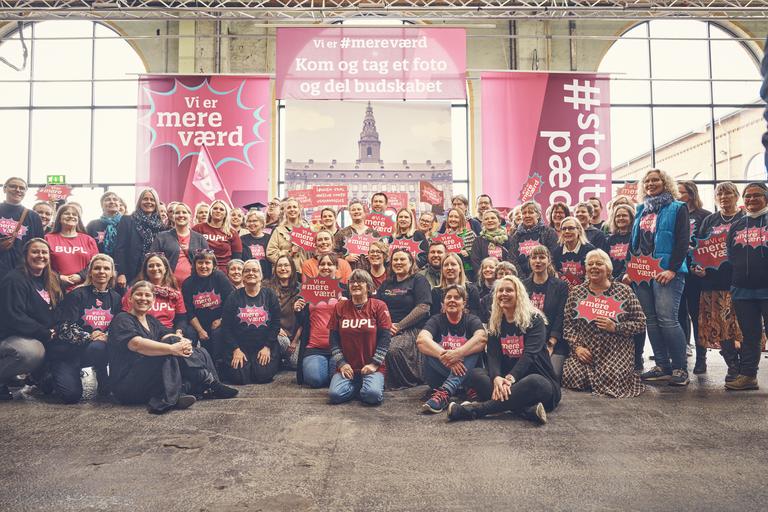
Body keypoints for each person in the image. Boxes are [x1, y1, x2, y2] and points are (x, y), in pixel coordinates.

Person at [108, 281, 237, 414]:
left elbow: (168, 334)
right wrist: (172, 348)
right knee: (168, 350)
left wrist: (183, 342)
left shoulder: (151, 321)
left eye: (147, 295)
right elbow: (136, 344)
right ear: (130, 298)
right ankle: (208, 382)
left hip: (148, 379)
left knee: (198, 350)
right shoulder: (122, 319)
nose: (143, 298)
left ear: (153, 300)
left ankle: (181, 391)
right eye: (139, 295)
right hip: (128, 384)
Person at [449, 276, 560, 425]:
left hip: (535, 381)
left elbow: (530, 355)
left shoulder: (535, 320)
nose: (504, 293)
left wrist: (510, 379)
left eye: (509, 290)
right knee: (475, 374)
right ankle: (526, 411)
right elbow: (493, 355)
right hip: (508, 384)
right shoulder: (496, 321)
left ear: (519, 294)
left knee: (535, 382)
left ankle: (474, 410)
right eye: (500, 290)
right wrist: (496, 378)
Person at [628, 169, 691, 386]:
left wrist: (673, 269)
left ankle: (680, 368)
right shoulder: (641, 210)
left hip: (666, 272)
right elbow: (634, 244)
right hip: (642, 273)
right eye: (647, 181)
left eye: (656, 180)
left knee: (667, 320)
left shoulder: (677, 207)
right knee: (650, 320)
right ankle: (662, 365)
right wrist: (631, 269)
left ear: (665, 182)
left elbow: (683, 241)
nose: (651, 183)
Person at [561, 250, 647, 397]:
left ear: (608, 269)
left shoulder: (624, 291)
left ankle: (603, 377)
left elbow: (641, 323)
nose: (594, 267)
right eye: (590, 264)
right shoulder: (577, 292)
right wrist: (578, 348)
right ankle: (596, 378)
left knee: (612, 375)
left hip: (615, 350)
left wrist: (615, 327)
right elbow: (568, 326)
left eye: (599, 264)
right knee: (571, 375)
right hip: (586, 349)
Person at [48, 254, 120, 402]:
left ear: (112, 273)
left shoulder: (116, 298)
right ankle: (46, 374)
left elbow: (117, 325)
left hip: (94, 350)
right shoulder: (77, 295)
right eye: (97, 268)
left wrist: (107, 336)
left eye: (106, 268)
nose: (101, 271)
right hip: (68, 353)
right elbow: (63, 327)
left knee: (100, 347)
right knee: (70, 396)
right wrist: (90, 336)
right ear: (90, 272)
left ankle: (101, 372)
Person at [692, 182, 745, 381]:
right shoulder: (710, 220)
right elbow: (697, 247)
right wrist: (696, 267)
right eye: (720, 194)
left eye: (728, 193)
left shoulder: (745, 218)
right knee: (721, 325)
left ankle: (746, 366)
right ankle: (733, 366)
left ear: (736, 196)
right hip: (712, 282)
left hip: (739, 280)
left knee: (741, 325)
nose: (724, 197)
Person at [0, 238, 60, 400]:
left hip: (37, 335)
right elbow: (13, 317)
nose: (40, 255)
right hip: (10, 336)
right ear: (25, 255)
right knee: (31, 353)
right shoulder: (14, 279)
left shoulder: (51, 279)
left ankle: (36, 376)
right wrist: (45, 332)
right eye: (35, 251)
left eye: (44, 252)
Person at [725, 182, 768, 391]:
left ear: (766, 197)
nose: (751, 200)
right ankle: (748, 376)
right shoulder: (738, 225)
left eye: (756, 195)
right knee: (750, 336)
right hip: (742, 289)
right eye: (747, 196)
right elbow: (731, 254)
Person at [417, 285, 487, 413]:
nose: (452, 300)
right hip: (439, 376)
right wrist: (445, 356)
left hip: (468, 371)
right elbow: (421, 340)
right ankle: (463, 387)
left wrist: (458, 353)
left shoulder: (472, 319)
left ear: (464, 303)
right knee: (428, 348)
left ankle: (445, 392)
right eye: (448, 297)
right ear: (443, 303)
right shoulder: (436, 320)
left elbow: (482, 338)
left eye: (457, 297)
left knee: (474, 348)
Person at [328, 269, 392, 405]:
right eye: (352, 282)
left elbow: (385, 338)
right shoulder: (340, 307)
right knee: (335, 395)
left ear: (368, 286)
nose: (355, 284)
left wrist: (375, 364)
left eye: (360, 281)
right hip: (347, 367)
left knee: (372, 396)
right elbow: (333, 340)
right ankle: (360, 386)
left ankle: (368, 386)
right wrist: (342, 364)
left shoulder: (379, 306)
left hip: (371, 367)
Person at [377, 249, 432, 389]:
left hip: (411, 328)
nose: (398, 262)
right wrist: (385, 325)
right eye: (395, 260)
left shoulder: (419, 280)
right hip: (387, 327)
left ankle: (402, 382)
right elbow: (377, 307)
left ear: (411, 262)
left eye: (402, 259)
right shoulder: (387, 283)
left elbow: (423, 308)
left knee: (392, 350)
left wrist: (399, 326)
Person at [221, 259, 281, 384]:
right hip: (240, 346)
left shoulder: (269, 295)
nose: (251, 273)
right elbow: (226, 327)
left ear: (261, 275)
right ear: (242, 276)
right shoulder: (233, 297)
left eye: (255, 270)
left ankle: (257, 366)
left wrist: (267, 347)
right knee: (239, 378)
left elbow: (276, 324)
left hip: (264, 345)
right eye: (247, 271)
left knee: (262, 376)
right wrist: (235, 349)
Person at [295, 253, 347, 388]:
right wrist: (298, 310)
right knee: (315, 380)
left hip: (340, 348)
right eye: (322, 264)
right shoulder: (309, 289)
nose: (326, 267)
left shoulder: (346, 291)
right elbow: (303, 321)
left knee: (335, 377)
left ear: (337, 268)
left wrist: (348, 307)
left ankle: (332, 369)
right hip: (314, 347)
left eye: (330, 264)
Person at [678, 180, 712, 373]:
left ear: (690, 194)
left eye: (681, 192)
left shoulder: (705, 216)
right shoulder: (675, 214)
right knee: (679, 315)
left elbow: (709, 245)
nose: (677, 196)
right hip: (677, 270)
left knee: (696, 315)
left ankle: (702, 357)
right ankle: (681, 353)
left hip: (695, 272)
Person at [606, 203, 644, 371]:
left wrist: (622, 276)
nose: (621, 218)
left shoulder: (636, 237)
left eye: (624, 215)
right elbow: (605, 261)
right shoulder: (610, 239)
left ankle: (637, 357)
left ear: (631, 218)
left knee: (634, 319)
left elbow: (636, 258)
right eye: (618, 216)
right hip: (612, 284)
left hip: (632, 283)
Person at [523, 245, 569, 379]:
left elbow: (561, 315)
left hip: (553, 340)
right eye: (534, 257)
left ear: (549, 261)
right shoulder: (523, 285)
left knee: (552, 375)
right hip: (530, 340)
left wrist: (551, 343)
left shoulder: (560, 286)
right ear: (530, 261)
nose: (538, 261)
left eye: (542, 257)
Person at [182, 250, 234, 365]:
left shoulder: (219, 277)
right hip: (197, 323)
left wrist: (221, 320)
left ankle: (218, 366)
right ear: (194, 265)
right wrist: (200, 330)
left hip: (218, 320)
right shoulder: (188, 284)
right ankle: (193, 365)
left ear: (213, 265)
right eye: (200, 262)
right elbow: (189, 311)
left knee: (218, 332)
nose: (204, 266)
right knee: (189, 333)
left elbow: (231, 301)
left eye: (207, 263)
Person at [149, 202, 208, 288]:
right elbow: (152, 259)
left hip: (195, 286)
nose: (181, 215)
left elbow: (208, 261)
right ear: (173, 216)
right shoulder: (161, 237)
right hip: (168, 285)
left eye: (184, 212)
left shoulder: (200, 238)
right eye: (177, 212)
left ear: (190, 216)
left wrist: (189, 252)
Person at [115, 188, 165, 287]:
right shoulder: (127, 220)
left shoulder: (161, 225)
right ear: (139, 202)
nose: (149, 202)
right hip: (132, 272)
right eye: (145, 199)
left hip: (154, 272)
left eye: (152, 199)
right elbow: (120, 249)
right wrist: (121, 273)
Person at [45, 204, 99, 291]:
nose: (71, 216)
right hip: (56, 288)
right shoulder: (48, 238)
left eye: (74, 214)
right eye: (66, 213)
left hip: (84, 289)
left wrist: (81, 276)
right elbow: (42, 263)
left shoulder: (88, 240)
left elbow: (96, 263)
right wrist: (59, 277)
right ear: (59, 218)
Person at [0, 177, 44, 281]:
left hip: (22, 272)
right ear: (4, 189)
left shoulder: (33, 217)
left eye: (22, 188)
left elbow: (40, 246)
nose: (18, 190)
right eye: (13, 186)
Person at [266, 255, 303, 369]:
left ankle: (281, 359)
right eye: (280, 265)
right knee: (282, 342)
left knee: (296, 363)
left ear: (292, 268)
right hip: (276, 333)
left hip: (295, 336)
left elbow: (305, 320)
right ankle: (279, 357)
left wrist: (295, 341)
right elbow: (263, 313)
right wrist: (275, 328)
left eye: (286, 265)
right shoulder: (267, 288)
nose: (283, 268)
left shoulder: (301, 289)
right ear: (275, 269)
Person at [509, 201, 559, 280]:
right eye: (524, 213)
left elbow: (553, 257)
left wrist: (539, 276)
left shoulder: (549, 232)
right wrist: (524, 279)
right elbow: (512, 259)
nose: (527, 215)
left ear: (538, 215)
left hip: (545, 278)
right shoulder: (516, 236)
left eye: (531, 212)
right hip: (522, 280)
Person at [193, 199, 243, 272]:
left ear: (226, 214)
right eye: (215, 208)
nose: (218, 211)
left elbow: (237, 258)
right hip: (202, 269)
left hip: (224, 271)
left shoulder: (232, 232)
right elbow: (191, 251)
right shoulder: (198, 228)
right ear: (210, 211)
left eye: (221, 209)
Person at [429, 253, 481, 318]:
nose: (449, 268)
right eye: (446, 265)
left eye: (453, 264)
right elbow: (434, 318)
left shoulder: (472, 290)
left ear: (460, 268)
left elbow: (475, 317)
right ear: (442, 270)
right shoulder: (436, 292)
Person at [267, 198, 309, 275]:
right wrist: (289, 252)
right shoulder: (278, 230)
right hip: (284, 273)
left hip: (305, 273)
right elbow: (270, 254)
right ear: (285, 211)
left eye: (294, 207)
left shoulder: (308, 230)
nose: (292, 209)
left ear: (299, 210)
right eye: (289, 207)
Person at [333, 200, 379, 271]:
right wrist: (345, 258)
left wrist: (374, 257)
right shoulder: (342, 233)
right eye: (353, 210)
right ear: (350, 213)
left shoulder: (374, 234)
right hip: (349, 274)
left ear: (364, 212)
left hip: (371, 275)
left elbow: (382, 254)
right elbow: (333, 254)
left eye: (359, 209)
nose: (356, 211)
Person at [553, 217, 596, 287]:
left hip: (584, 290)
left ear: (579, 230)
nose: (567, 231)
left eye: (571, 228)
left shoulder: (590, 250)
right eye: (564, 229)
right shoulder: (556, 252)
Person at [443, 207, 477, 280]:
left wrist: (467, 253)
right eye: (450, 216)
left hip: (467, 271)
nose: (453, 219)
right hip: (449, 271)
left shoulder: (469, 234)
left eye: (456, 217)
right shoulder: (445, 236)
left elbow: (476, 254)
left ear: (461, 219)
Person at [86, 191, 122, 256]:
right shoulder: (92, 225)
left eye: (115, 199)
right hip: (99, 264)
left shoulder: (127, 223)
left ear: (119, 205)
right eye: (108, 200)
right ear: (102, 205)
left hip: (123, 264)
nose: (112, 202)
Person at [241, 209, 273, 280]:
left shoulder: (270, 238)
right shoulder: (241, 239)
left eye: (255, 221)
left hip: (267, 279)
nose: (251, 223)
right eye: (249, 221)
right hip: (248, 279)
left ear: (262, 223)